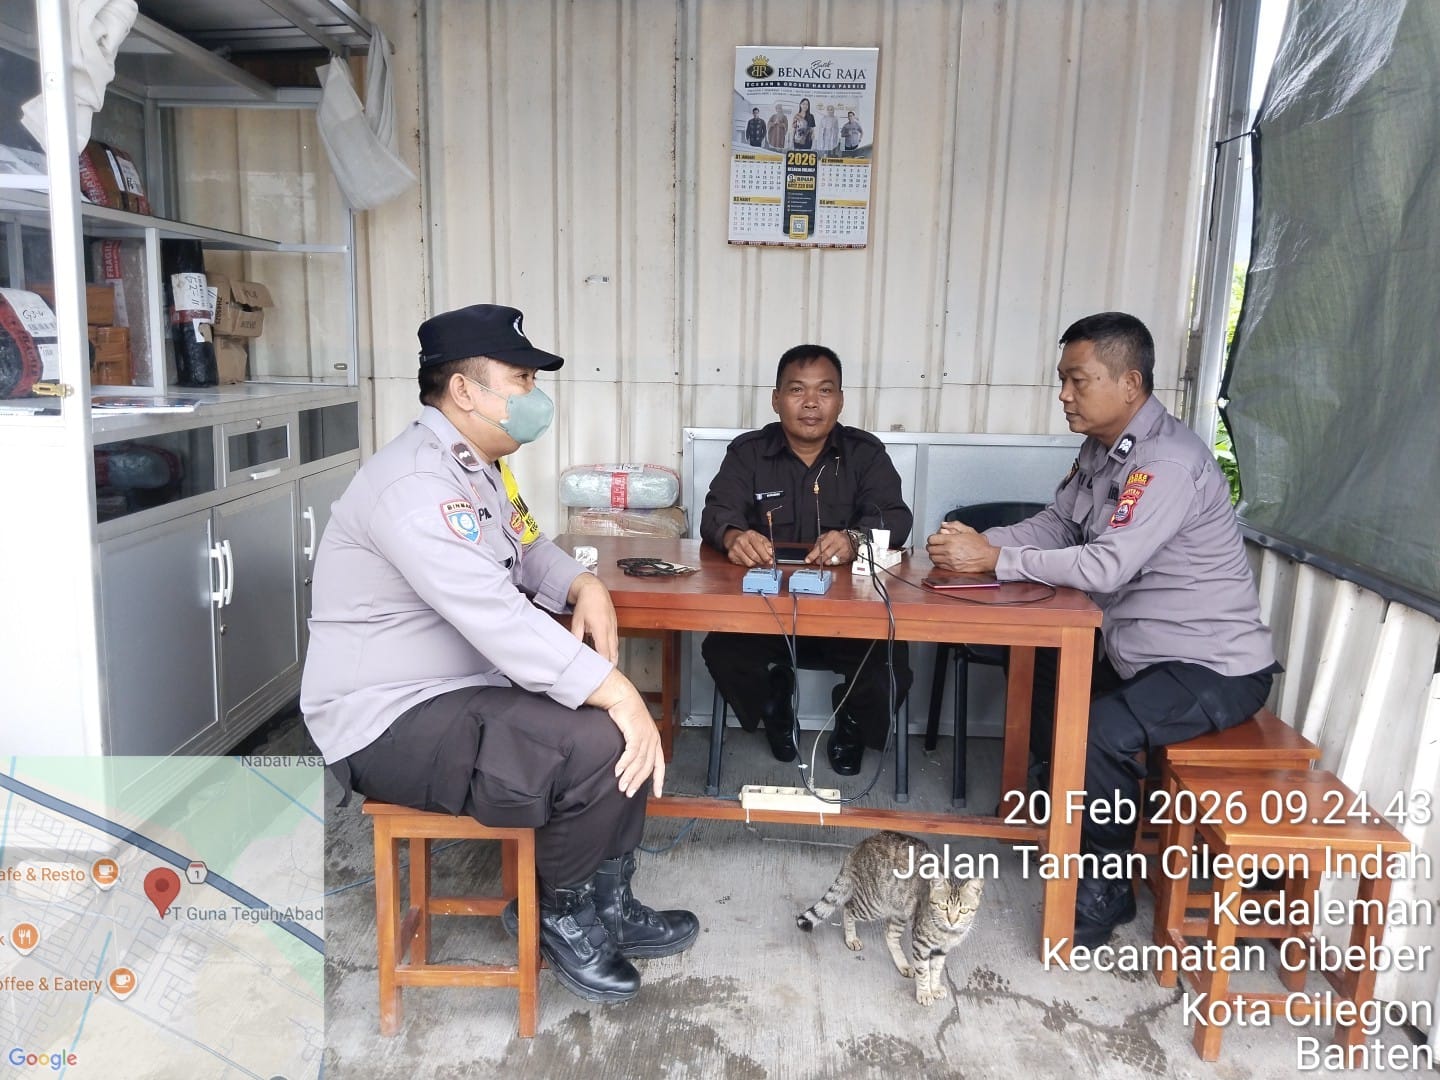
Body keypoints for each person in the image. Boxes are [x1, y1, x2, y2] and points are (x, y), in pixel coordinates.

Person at [301, 304, 698, 1004]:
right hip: (386, 717)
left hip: (456, 686)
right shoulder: (416, 486)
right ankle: (556, 909)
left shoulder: (477, 468)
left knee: (614, 721)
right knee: (602, 734)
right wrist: (617, 691)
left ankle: (609, 902)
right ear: (464, 391)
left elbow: (527, 545)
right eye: (520, 379)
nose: (533, 396)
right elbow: (494, 615)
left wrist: (582, 583)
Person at [925, 311, 1277, 949]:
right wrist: (972, 545)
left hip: (1210, 665)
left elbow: (1108, 565)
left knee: (1097, 732)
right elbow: (1057, 525)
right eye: (1062, 379)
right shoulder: (1101, 450)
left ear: (1130, 383)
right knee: (1046, 679)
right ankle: (1063, 809)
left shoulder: (1166, 463)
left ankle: (1105, 888)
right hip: (1138, 651)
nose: (1064, 394)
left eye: (1077, 380)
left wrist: (995, 559)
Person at [700, 345, 914, 776]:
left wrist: (854, 539)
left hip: (848, 617)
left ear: (841, 400)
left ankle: (852, 723)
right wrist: (735, 536)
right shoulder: (748, 453)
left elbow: (895, 518)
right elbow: (717, 512)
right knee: (721, 650)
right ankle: (775, 705)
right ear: (776, 399)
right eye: (797, 390)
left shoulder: (865, 453)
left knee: (889, 665)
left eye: (824, 390)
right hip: (766, 615)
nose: (811, 403)